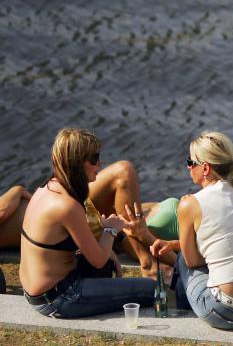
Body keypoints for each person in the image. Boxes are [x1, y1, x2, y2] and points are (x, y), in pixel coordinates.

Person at [150, 131, 233, 330]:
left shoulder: (189, 203)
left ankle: (184, 307)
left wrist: (178, 248)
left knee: (182, 261)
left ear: (205, 168)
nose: (187, 167)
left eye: (190, 162)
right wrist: (174, 244)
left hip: (230, 311)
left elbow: (192, 261)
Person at [19, 128, 155, 318]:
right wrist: (111, 230)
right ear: (76, 164)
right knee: (153, 289)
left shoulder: (47, 188)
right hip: (59, 297)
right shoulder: (67, 206)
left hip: (38, 290)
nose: (100, 163)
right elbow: (98, 260)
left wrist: (109, 250)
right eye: (94, 159)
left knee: (108, 262)